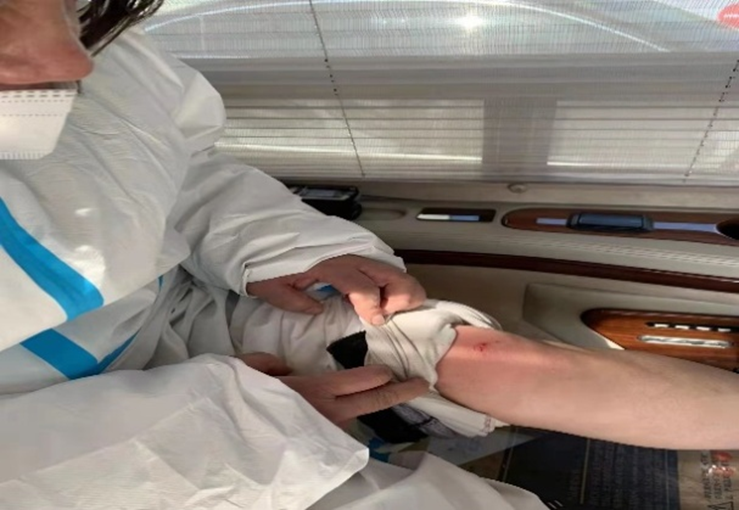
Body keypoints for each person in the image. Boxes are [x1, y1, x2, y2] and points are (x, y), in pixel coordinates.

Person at [0, 1, 548, 508]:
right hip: (89, 461)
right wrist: (232, 429)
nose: (72, 61)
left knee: (443, 344)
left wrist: (284, 249)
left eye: (66, 5)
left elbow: (175, 166)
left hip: (176, 314)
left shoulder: (87, 39)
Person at [231, 292, 739, 451]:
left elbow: (205, 187)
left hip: (223, 305)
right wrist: (238, 414)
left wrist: (285, 255)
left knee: (477, 358)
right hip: (203, 402)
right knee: (478, 364)